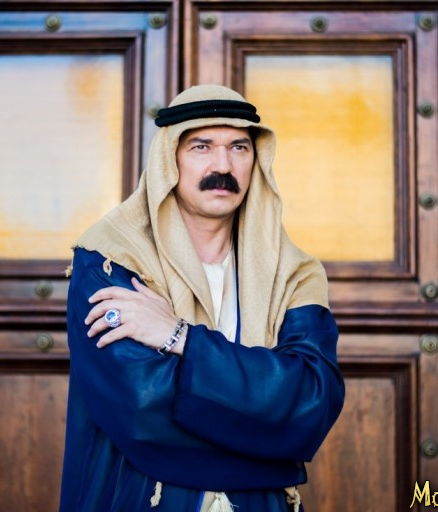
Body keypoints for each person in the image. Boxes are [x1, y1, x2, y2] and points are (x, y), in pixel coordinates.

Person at [59, 84, 345, 512]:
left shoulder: (295, 273)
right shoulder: (110, 260)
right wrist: (269, 437)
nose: (223, 165)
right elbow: (141, 410)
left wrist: (181, 338)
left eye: (239, 147)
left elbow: (311, 403)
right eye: (201, 146)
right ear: (169, 159)